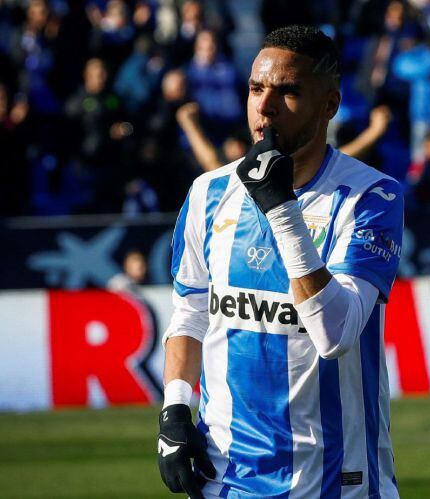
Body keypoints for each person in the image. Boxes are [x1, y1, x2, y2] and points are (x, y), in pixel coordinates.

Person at [156, 25, 403, 498]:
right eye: (256, 88)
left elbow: (335, 334)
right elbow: (191, 314)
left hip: (334, 481)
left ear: (329, 105)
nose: (265, 106)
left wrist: (281, 209)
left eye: (288, 92)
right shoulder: (209, 192)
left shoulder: (371, 197)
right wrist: (174, 411)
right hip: (226, 479)